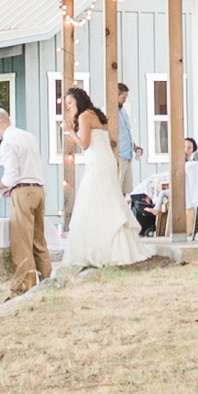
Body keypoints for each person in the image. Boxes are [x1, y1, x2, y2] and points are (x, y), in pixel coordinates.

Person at [58, 93, 148, 268]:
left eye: (70, 103)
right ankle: (118, 246)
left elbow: (84, 144)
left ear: (78, 100)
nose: (68, 106)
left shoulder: (85, 116)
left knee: (92, 203)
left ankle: (99, 248)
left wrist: (71, 132)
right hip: (106, 163)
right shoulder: (96, 115)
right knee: (109, 203)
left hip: (98, 165)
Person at [0, 106, 50, 293]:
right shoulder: (29, 136)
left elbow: (11, 176)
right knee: (39, 241)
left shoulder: (7, 143)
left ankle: (26, 287)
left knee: (22, 243)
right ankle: (48, 283)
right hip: (38, 189)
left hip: (22, 194)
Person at [112, 80, 139, 170]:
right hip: (118, 156)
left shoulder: (123, 111)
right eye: (123, 98)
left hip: (128, 156)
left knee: (128, 184)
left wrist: (133, 145)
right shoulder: (108, 113)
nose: (125, 100)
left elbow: (124, 132)